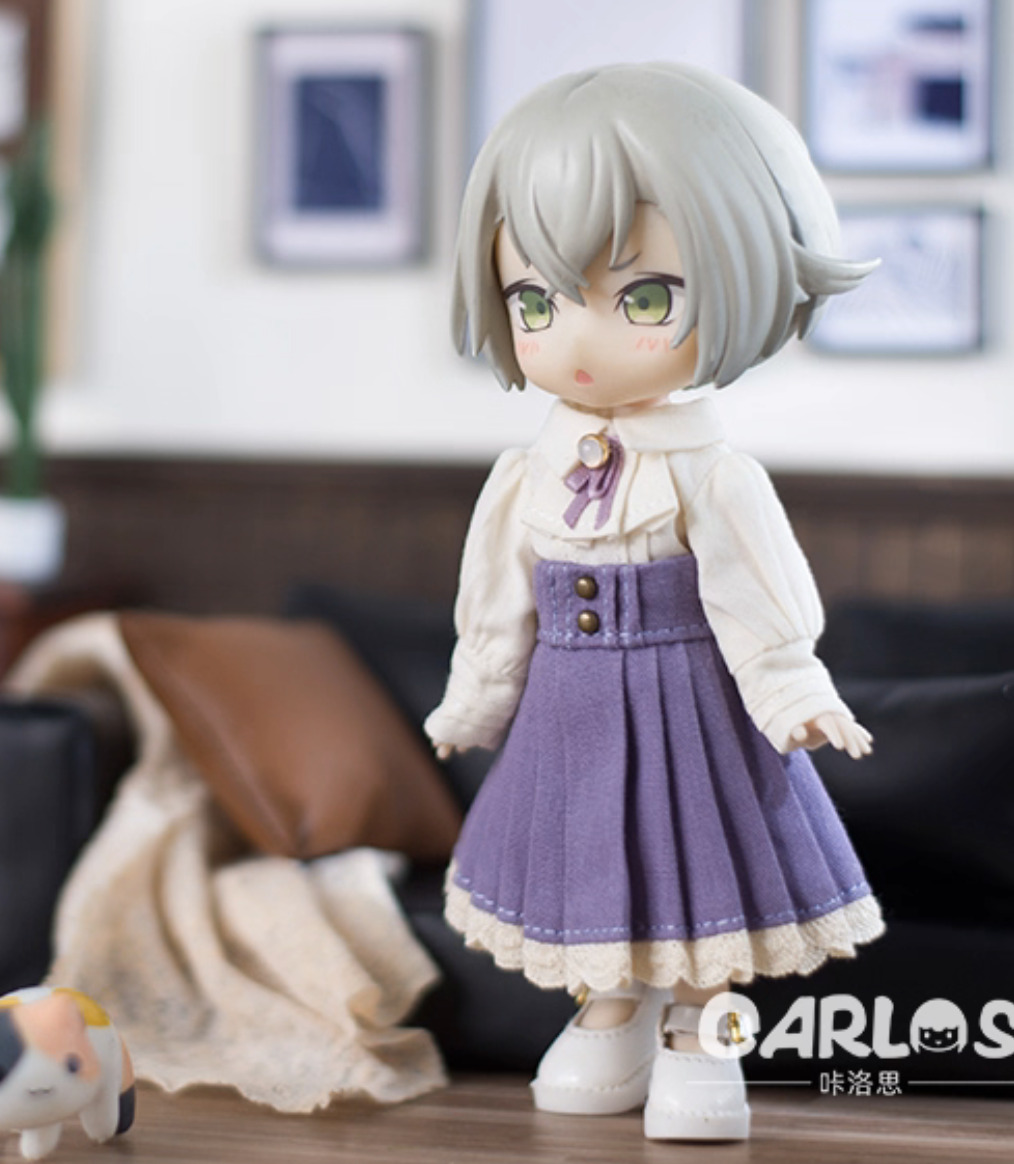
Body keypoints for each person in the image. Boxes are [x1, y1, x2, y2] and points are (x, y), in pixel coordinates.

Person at [425, 62, 884, 1142]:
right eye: (536, 301)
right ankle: (612, 1009)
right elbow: (497, 613)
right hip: (569, 713)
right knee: (593, 865)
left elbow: (760, 604)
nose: (576, 340)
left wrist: (795, 695)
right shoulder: (525, 477)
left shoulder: (714, 474)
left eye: (643, 298)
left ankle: (700, 1035)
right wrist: (473, 703)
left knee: (699, 874)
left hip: (692, 707)